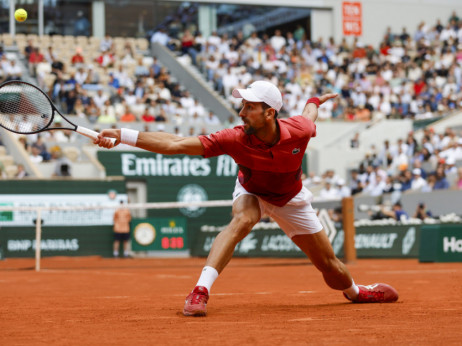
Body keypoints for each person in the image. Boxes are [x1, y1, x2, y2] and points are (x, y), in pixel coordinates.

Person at [95, 81, 399, 316]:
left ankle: (357, 292)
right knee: (243, 219)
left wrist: (315, 100)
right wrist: (121, 134)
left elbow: (309, 115)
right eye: (242, 106)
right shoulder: (234, 137)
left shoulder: (300, 131)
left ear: (269, 112)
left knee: (331, 268)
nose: (241, 113)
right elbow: (175, 143)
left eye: (249, 107)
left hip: (291, 199)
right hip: (251, 191)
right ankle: (200, 290)